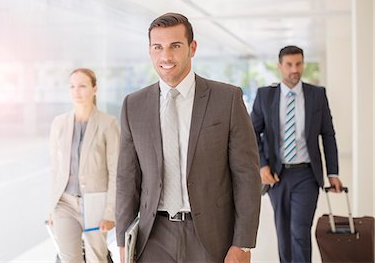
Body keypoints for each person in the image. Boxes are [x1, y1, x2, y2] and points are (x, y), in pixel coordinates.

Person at [115, 13, 261, 263]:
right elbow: (127, 179)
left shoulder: (226, 99)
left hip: (211, 237)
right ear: (150, 51)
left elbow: (246, 176)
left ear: (192, 48)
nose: (166, 56)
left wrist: (243, 244)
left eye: (175, 46)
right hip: (153, 237)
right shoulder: (133, 105)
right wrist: (122, 242)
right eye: (157, 47)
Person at [251, 45, 343, 263]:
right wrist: (262, 165)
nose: (295, 69)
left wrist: (333, 172)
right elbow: (252, 132)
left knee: (299, 231)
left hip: (306, 174)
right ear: (280, 66)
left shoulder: (316, 95)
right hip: (277, 175)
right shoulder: (266, 96)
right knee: (283, 232)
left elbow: (328, 134)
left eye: (299, 64)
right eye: (290, 64)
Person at [48, 68, 119, 263]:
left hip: (95, 202)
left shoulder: (108, 123)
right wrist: (51, 208)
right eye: (72, 86)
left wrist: (110, 212)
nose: (76, 91)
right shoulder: (59, 123)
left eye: (82, 86)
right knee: (69, 259)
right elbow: (55, 169)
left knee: (97, 258)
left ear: (94, 89)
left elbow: (115, 172)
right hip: (64, 203)